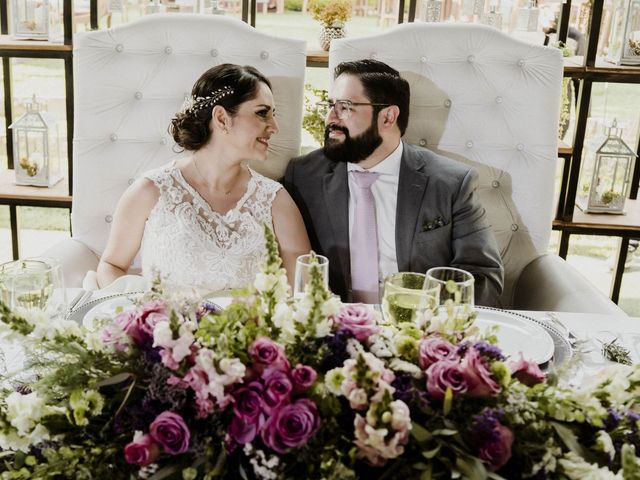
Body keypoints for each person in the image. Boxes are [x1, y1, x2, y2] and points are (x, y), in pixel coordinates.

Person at [283, 59, 503, 306]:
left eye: (345, 107)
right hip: (334, 329)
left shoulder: (451, 183)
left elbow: (484, 278)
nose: (330, 117)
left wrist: (421, 313)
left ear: (388, 117)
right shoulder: (302, 176)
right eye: (330, 105)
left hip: (418, 329)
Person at [96, 64, 310, 291]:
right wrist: (139, 315)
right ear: (221, 118)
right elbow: (110, 265)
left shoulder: (275, 201)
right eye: (261, 113)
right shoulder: (150, 191)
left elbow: (301, 288)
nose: (275, 127)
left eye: (272, 115)